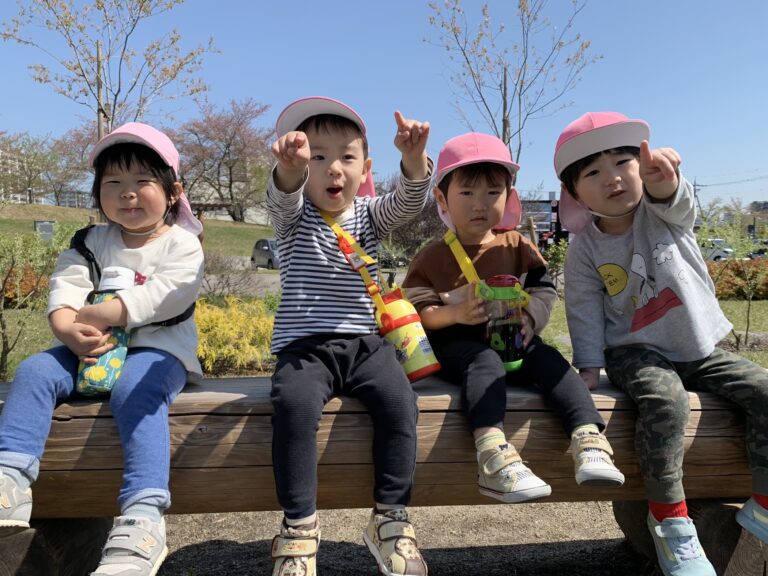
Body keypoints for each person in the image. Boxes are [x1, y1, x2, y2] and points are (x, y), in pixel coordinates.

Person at [555, 111, 768, 576]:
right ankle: (670, 523)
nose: (612, 178)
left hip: (704, 344)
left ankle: (764, 507)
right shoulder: (585, 249)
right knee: (666, 403)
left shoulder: (663, 213)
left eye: (623, 162)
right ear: (574, 193)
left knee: (765, 391)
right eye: (593, 172)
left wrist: (667, 182)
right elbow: (585, 311)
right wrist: (588, 368)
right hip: (635, 350)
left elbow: (680, 201)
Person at [0, 122, 204, 576]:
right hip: (86, 348)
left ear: (173, 191)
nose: (127, 194)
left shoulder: (183, 244)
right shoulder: (91, 242)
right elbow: (67, 284)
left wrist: (103, 313)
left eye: (141, 182)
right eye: (113, 183)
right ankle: (9, 478)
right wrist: (66, 325)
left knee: (136, 390)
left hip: (158, 352)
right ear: (98, 193)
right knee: (34, 372)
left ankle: (143, 515)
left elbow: (168, 294)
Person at [402, 132, 624, 507]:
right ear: (442, 198)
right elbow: (418, 315)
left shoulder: (518, 245)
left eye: (493, 192)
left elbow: (543, 289)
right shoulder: (432, 257)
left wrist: (530, 319)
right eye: (467, 193)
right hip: (458, 346)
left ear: (508, 196)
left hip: (512, 338)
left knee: (550, 359)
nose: (480, 204)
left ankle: (588, 437)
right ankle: (491, 452)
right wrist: (455, 313)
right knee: (483, 361)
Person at [267, 96, 433, 576]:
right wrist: (288, 172)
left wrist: (414, 158)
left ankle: (390, 519)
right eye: (316, 157)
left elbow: (409, 201)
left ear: (365, 169)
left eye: (346, 157)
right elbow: (281, 197)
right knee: (293, 407)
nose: (332, 168)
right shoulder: (293, 220)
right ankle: (299, 528)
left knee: (400, 403)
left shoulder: (368, 216)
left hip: (366, 345)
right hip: (305, 350)